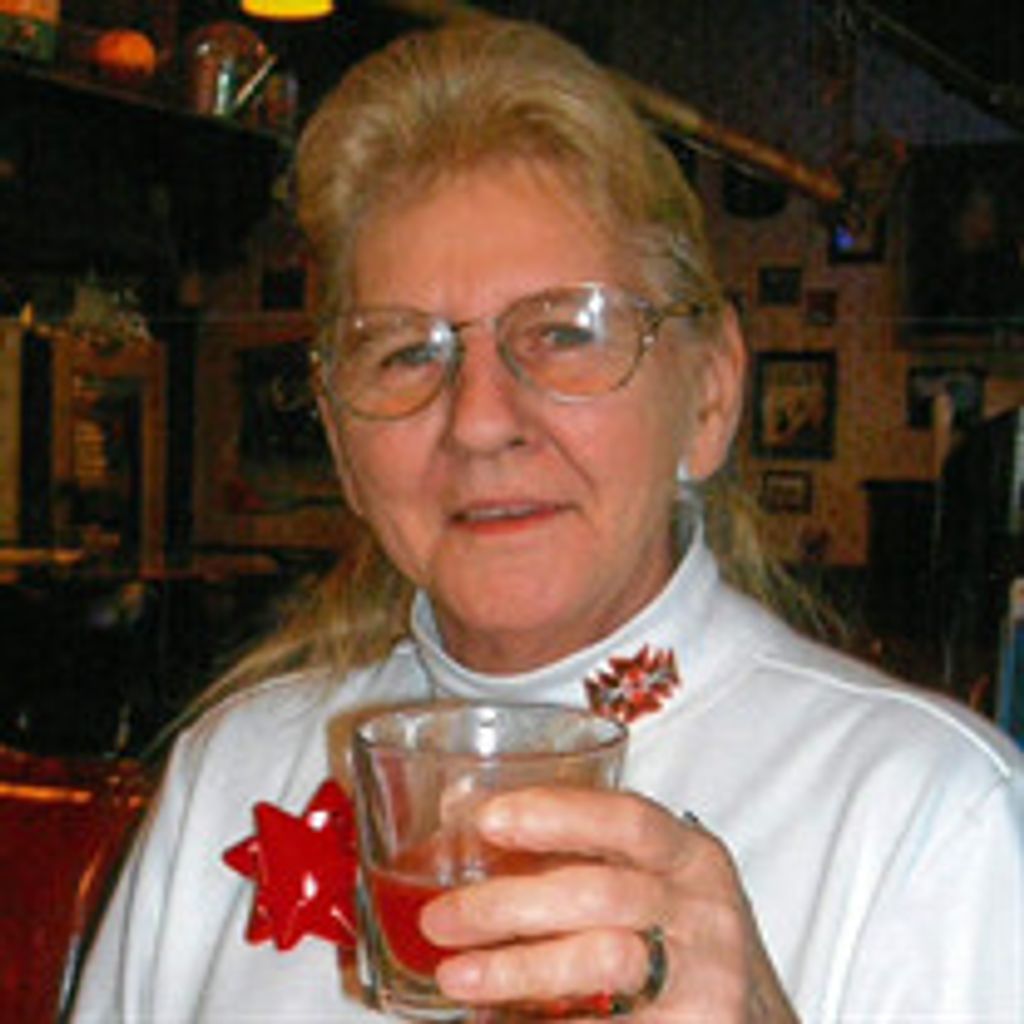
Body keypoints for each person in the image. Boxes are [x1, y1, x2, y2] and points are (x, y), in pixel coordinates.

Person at [71, 18, 1021, 1023]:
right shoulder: (232, 771)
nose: (479, 421)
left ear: (708, 393)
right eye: (404, 352)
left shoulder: (930, 816)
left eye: (565, 332)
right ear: (343, 443)